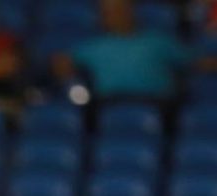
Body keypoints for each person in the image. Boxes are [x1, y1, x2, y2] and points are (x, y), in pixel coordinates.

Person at [53, 0, 193, 120]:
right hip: (108, 104)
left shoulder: (159, 41)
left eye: (120, 10)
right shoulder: (94, 46)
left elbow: (193, 61)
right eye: (109, 12)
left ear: (132, 11)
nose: (116, 16)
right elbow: (63, 62)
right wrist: (70, 79)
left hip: (159, 104)